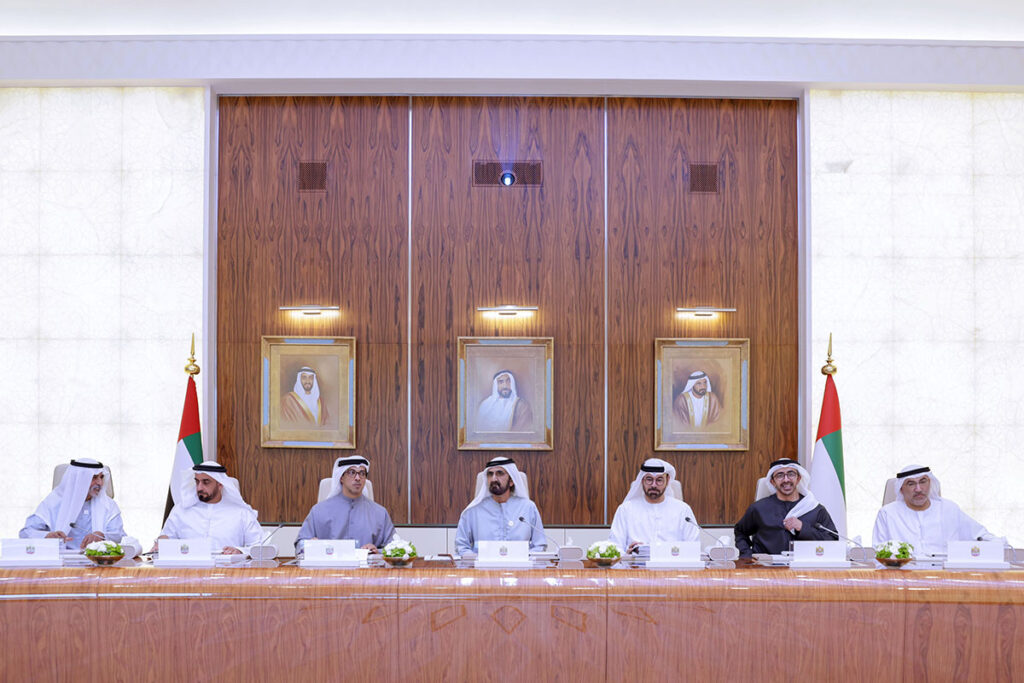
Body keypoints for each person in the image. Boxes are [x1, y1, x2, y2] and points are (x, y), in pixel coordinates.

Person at [872, 464, 1001, 555]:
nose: (918, 489)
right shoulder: (888, 513)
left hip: (944, 577)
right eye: (911, 484)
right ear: (901, 489)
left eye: (923, 482)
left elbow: (981, 536)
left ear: (930, 483)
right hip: (903, 577)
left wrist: (999, 546)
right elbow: (879, 553)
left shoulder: (949, 509)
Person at [733, 458, 836, 557]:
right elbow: (740, 532)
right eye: (780, 475)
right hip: (766, 566)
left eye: (791, 474)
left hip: (803, 566)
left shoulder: (814, 508)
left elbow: (832, 540)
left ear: (798, 478)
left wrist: (803, 528)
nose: (786, 480)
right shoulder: (759, 508)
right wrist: (747, 555)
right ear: (773, 482)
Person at [295, 455, 395, 554]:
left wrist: (377, 551)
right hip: (330, 564)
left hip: (366, 564)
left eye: (362, 473)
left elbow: (395, 548)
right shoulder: (319, 511)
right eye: (352, 472)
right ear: (341, 477)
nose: (357, 478)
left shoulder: (380, 513)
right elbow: (299, 546)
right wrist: (311, 545)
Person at [157, 461, 262, 555]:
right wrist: (161, 543)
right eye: (197, 482)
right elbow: (165, 539)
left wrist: (240, 551)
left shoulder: (241, 513)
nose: (199, 487)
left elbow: (259, 547)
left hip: (226, 569)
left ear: (220, 484)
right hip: (188, 569)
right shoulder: (181, 510)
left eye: (206, 482)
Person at [20, 458, 125, 549]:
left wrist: (103, 536)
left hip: (98, 562)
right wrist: (47, 536)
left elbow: (120, 536)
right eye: (94, 477)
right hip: (60, 561)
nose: (100, 483)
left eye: (101, 477)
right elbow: (26, 533)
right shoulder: (52, 503)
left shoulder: (108, 505)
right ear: (79, 480)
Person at [455, 456, 546, 554]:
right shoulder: (473, 511)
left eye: (500, 473)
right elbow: (461, 547)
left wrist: (525, 558)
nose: (493, 478)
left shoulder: (528, 508)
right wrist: (475, 559)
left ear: (511, 481)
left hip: (520, 564)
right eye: (490, 474)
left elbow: (539, 545)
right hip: (483, 564)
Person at [609, 458, 700, 552]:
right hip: (635, 561)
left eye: (659, 480)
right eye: (649, 479)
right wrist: (627, 554)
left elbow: (693, 547)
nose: (654, 485)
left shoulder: (683, 510)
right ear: (642, 480)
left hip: (672, 561)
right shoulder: (625, 510)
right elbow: (615, 547)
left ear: (667, 480)